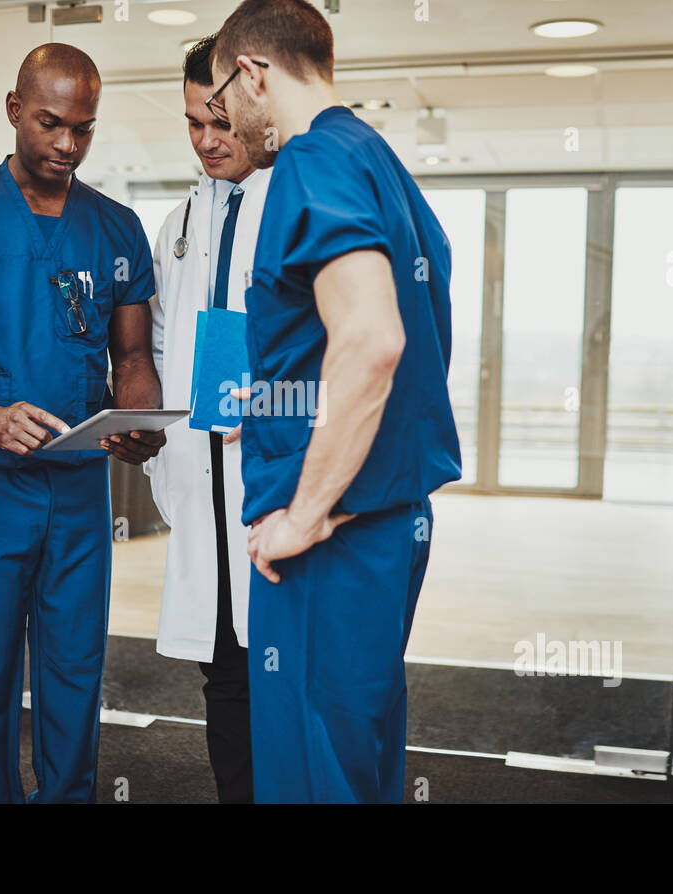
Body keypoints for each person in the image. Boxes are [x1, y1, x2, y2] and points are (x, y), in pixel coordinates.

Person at [210, 0, 463, 803]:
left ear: (252, 75)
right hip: (389, 521)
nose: (225, 124)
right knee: (359, 758)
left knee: (313, 775)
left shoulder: (312, 162)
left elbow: (372, 338)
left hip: (331, 540)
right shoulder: (377, 160)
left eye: (221, 102)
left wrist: (306, 511)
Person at [0, 43, 163, 804]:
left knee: (75, 667)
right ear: (15, 111)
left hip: (82, 488)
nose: (66, 144)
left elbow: (133, 352)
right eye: (51, 123)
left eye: (83, 129)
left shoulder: (117, 228)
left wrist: (141, 419)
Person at [144, 34, 270, 804]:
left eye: (221, 122)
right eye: (194, 122)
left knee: (280, 673)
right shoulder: (179, 224)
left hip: (270, 483)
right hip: (203, 483)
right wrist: (149, 435)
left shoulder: (293, 204)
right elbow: (162, 342)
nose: (207, 140)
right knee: (222, 676)